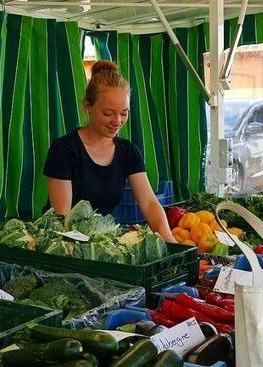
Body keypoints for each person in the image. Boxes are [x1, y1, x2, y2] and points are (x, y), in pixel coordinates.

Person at [44, 60, 175, 242]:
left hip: (100, 241)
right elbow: (63, 218)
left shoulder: (128, 152)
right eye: (108, 113)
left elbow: (150, 203)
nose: (117, 121)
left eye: (124, 113)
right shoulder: (63, 150)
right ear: (87, 106)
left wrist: (168, 239)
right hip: (63, 243)